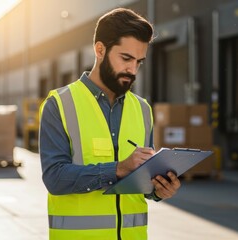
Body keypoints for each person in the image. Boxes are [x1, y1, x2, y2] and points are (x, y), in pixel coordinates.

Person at [39, 8, 181, 240]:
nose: (132, 70)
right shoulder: (59, 104)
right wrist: (118, 168)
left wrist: (159, 189)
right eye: (126, 58)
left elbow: (142, 179)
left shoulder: (143, 109)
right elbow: (55, 178)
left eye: (139, 62)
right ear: (100, 50)